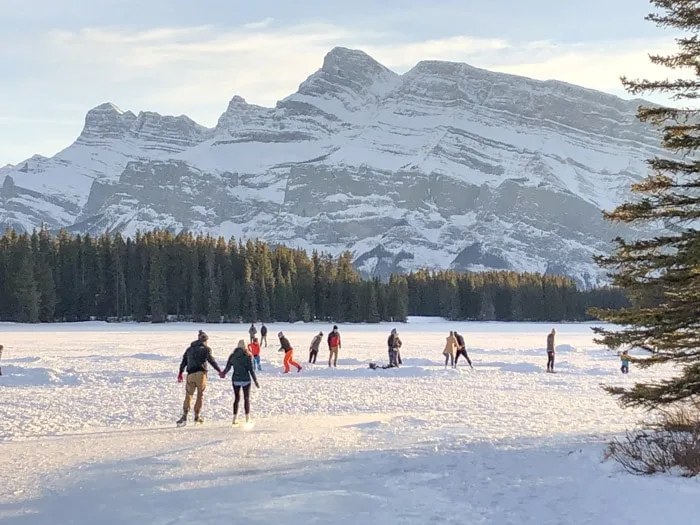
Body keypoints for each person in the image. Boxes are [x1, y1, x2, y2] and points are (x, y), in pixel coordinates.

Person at [176, 330, 223, 426]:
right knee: (200, 395)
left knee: (188, 395)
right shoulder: (206, 349)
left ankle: (184, 416)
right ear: (205, 340)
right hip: (201, 374)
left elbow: (183, 362)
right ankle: (197, 416)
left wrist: (180, 373)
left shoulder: (189, 349)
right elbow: (211, 361)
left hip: (190, 375)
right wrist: (219, 371)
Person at [221, 339, 260, 426]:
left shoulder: (232, 356)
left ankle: (234, 419)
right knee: (246, 398)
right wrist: (255, 381)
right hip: (246, 380)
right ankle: (247, 418)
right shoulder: (248, 355)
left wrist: (223, 373)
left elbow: (228, 367)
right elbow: (251, 370)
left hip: (235, 380)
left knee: (236, 398)